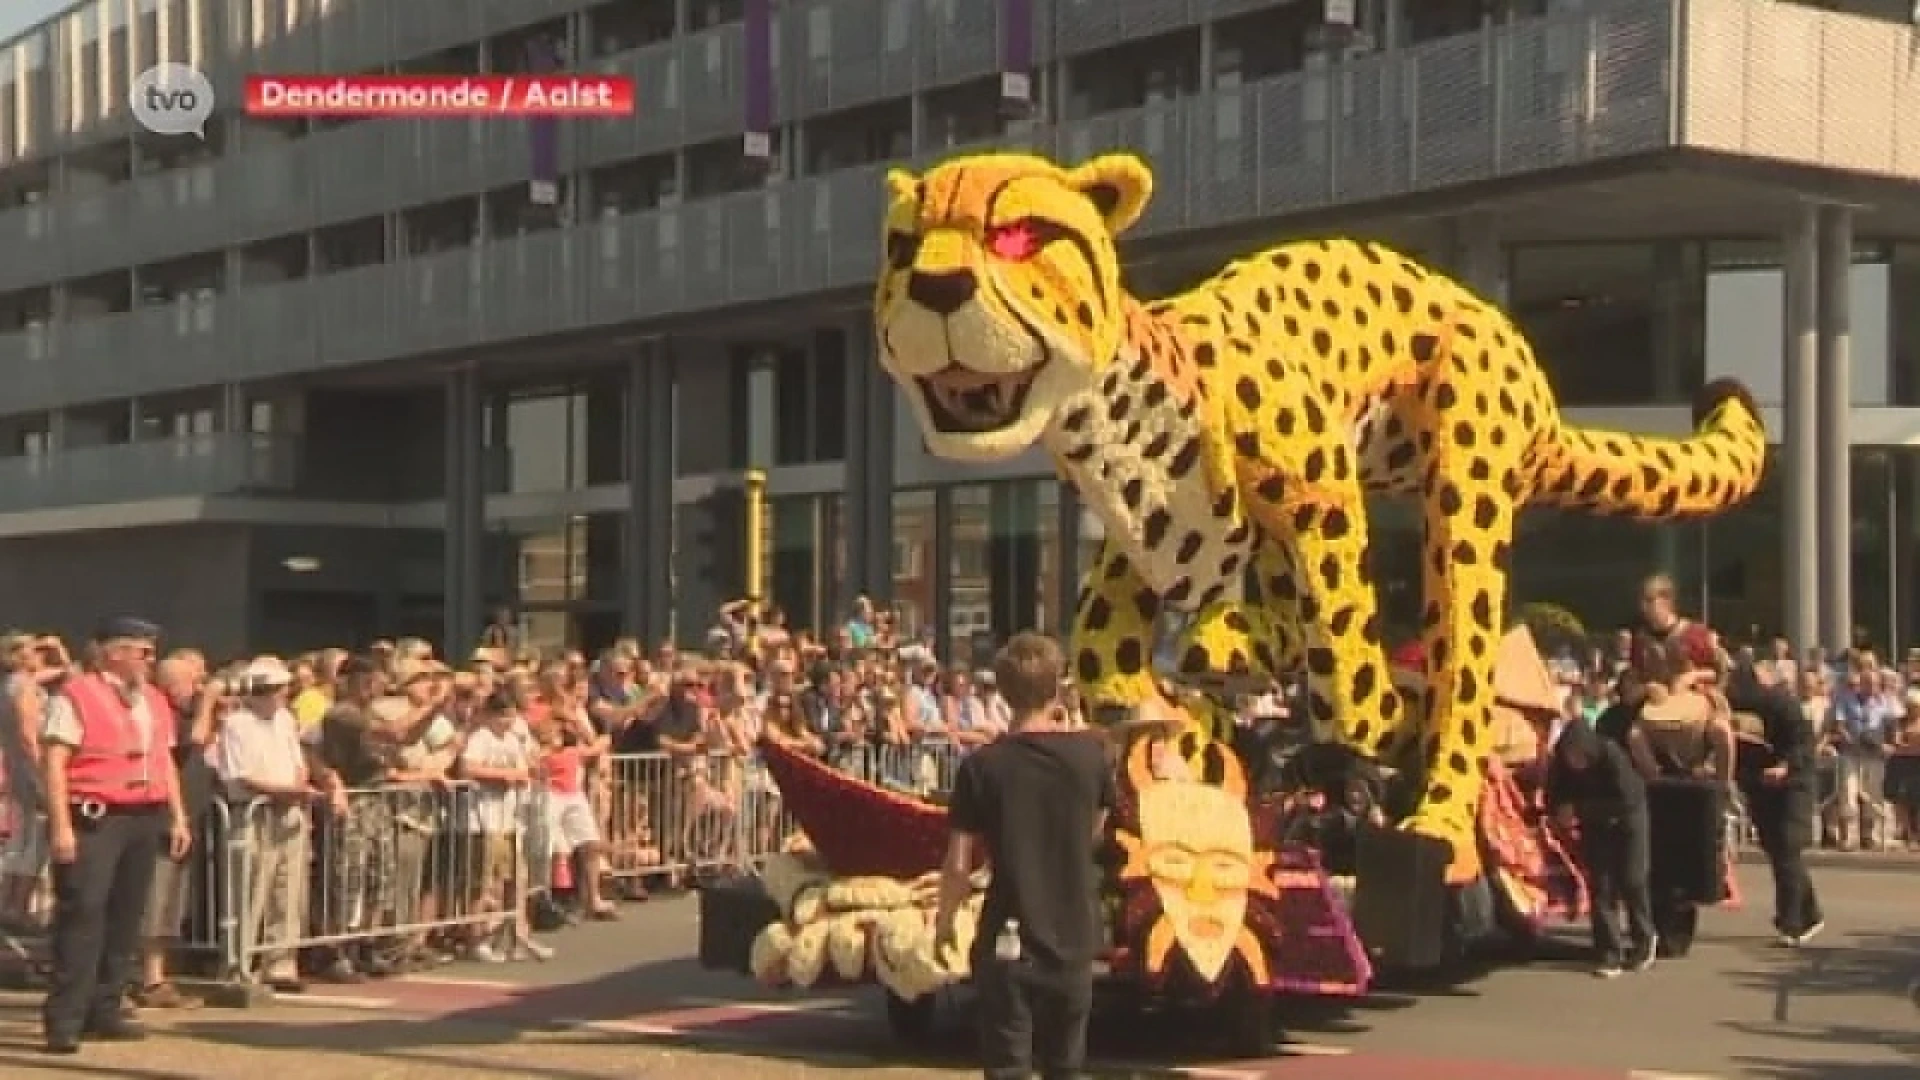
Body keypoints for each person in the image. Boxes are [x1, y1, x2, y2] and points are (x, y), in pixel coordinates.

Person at [936, 633, 1113, 1080]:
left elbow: (958, 866)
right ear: (1057, 688)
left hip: (1008, 935)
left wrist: (943, 924)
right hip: (1074, 933)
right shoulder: (1092, 759)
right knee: (1066, 1067)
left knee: (1007, 1068)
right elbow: (1094, 831)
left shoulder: (981, 767)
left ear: (1002, 690)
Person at [38, 617, 192, 1054]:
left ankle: (104, 1008)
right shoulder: (77, 694)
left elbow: (164, 760)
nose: (150, 660)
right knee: (84, 914)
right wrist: (62, 826)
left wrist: (177, 816)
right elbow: (54, 762)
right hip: (95, 817)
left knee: (126, 916)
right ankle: (65, 1018)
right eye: (143, 652)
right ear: (114, 652)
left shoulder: (155, 701)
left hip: (143, 815)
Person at [1544, 720, 1656, 978]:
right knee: (1601, 886)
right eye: (1570, 756)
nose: (1575, 762)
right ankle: (1609, 952)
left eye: (1580, 756)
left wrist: (1580, 809)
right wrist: (1559, 811)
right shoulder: (1560, 765)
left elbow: (1626, 799)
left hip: (1628, 818)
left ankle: (1643, 939)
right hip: (1595, 825)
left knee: (1632, 880)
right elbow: (1553, 795)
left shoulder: (1611, 754)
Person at [1727, 658, 1825, 947]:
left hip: (1793, 784)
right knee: (1778, 851)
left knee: (1787, 845)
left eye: (1756, 676)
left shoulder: (1786, 706)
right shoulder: (1736, 703)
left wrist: (1786, 766)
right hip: (1760, 783)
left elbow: (1803, 745)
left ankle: (1792, 920)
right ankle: (1811, 913)